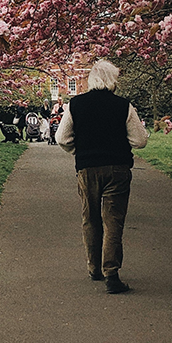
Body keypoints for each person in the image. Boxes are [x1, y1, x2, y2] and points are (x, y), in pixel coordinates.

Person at [55, 60, 148, 294]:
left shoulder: (75, 105)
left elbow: (62, 138)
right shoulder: (123, 106)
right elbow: (140, 140)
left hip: (87, 169)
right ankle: (112, 274)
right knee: (113, 220)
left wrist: (81, 152)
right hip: (117, 168)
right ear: (112, 80)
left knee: (91, 218)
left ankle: (93, 267)